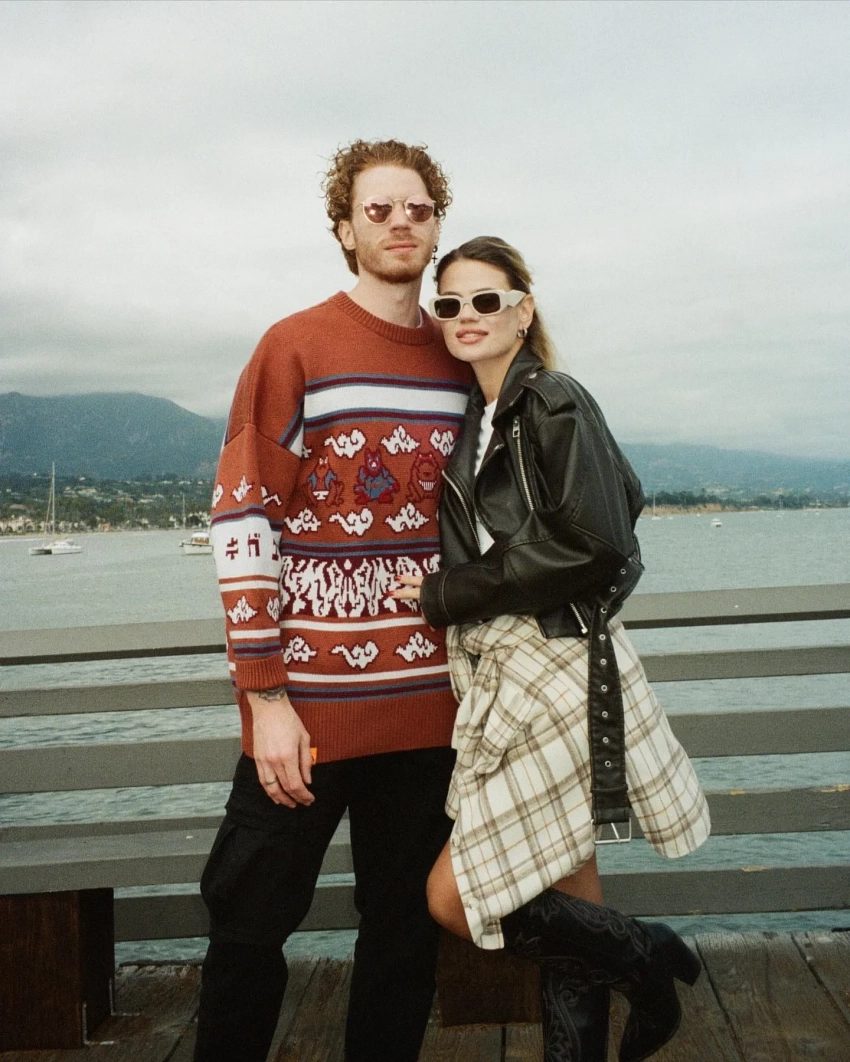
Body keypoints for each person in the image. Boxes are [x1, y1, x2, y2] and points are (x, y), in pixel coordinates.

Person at [392, 236, 711, 1062]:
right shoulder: (480, 417)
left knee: (454, 896)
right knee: (567, 882)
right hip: (513, 672)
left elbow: (598, 540)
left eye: (486, 300)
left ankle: (643, 958)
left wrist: (446, 594)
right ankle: (625, 979)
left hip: (558, 669)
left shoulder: (552, 400)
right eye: (449, 303)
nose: (466, 316)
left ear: (523, 310)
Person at [194, 139, 471, 1062]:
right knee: (247, 924)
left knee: (402, 935)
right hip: (305, 714)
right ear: (346, 229)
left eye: (418, 208)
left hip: (430, 707)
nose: (400, 223)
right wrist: (264, 697)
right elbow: (243, 518)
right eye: (378, 209)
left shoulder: (460, 358)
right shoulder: (296, 346)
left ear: (437, 225)